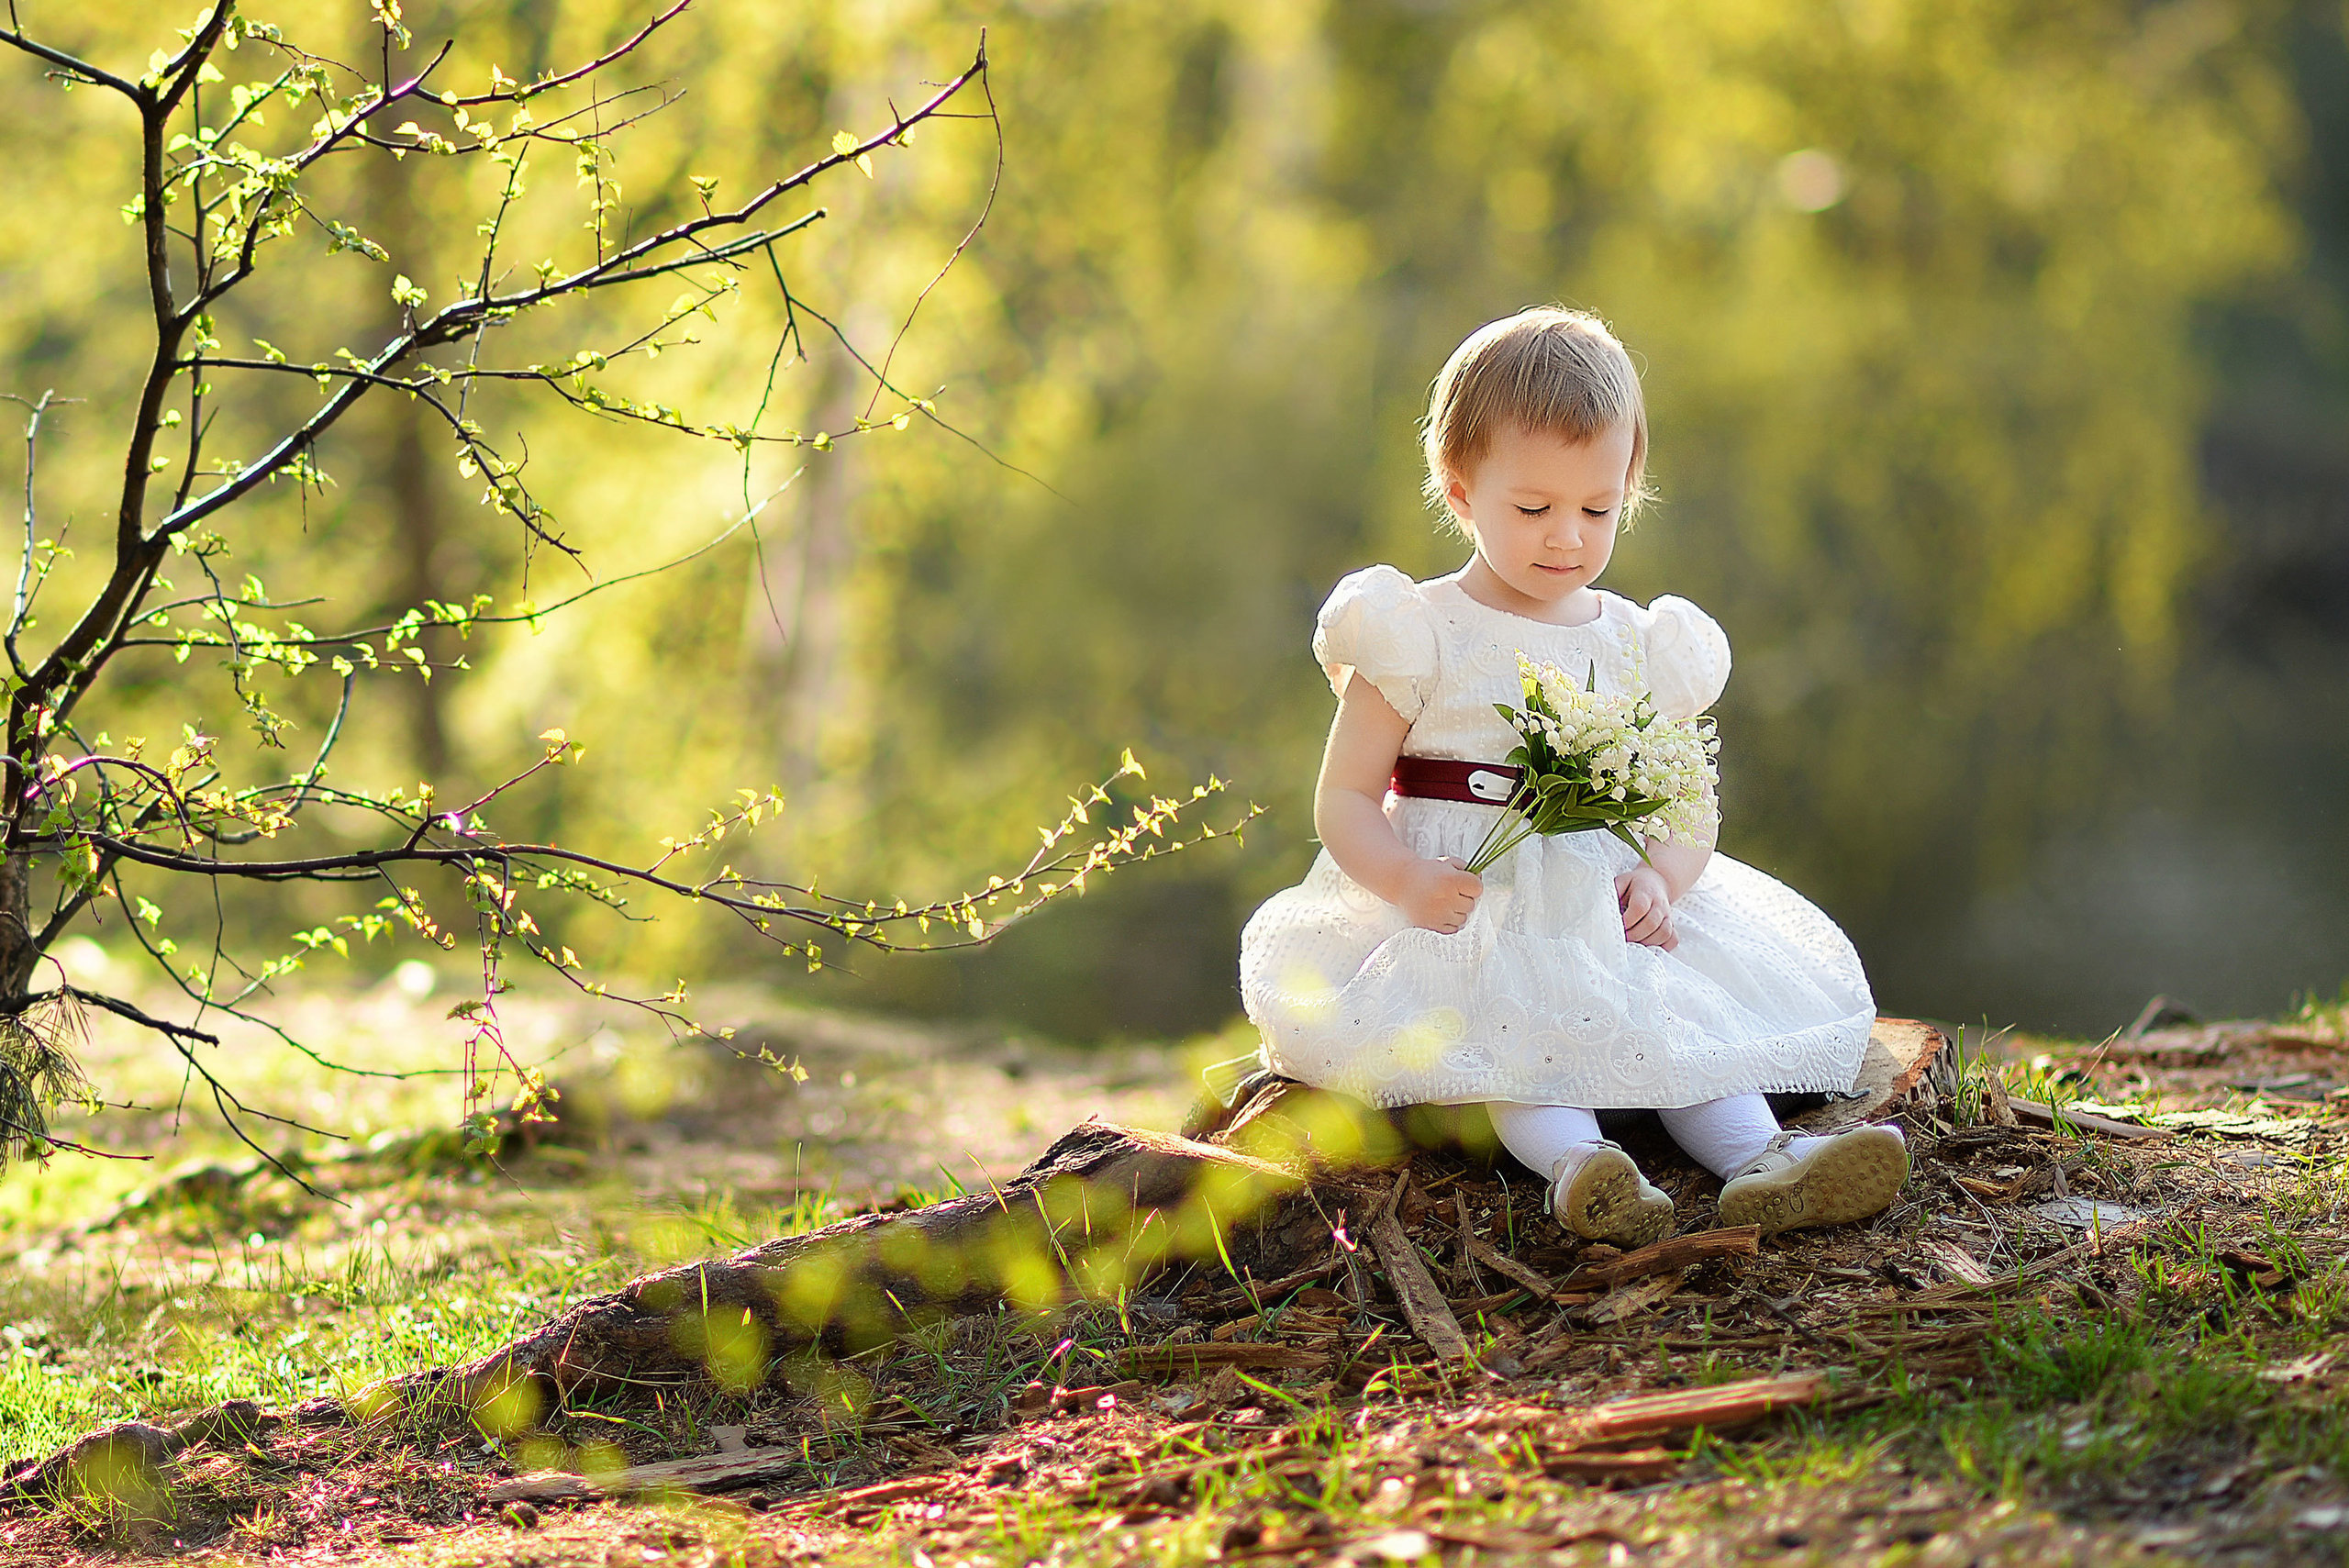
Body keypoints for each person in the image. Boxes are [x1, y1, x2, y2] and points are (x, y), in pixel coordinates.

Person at [1238, 306, 1907, 1245]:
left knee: (1680, 1018)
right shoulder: (1419, 629)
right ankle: (1581, 1168)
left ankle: (1762, 1160)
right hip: (1469, 902)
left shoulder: (1637, 642)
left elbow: (1685, 802)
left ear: (1630, 486)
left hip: (1602, 900)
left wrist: (1663, 878)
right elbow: (1343, 795)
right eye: (1534, 508)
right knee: (1508, 1036)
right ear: (1462, 491)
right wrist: (1403, 878)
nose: (1567, 537)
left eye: (1598, 509)